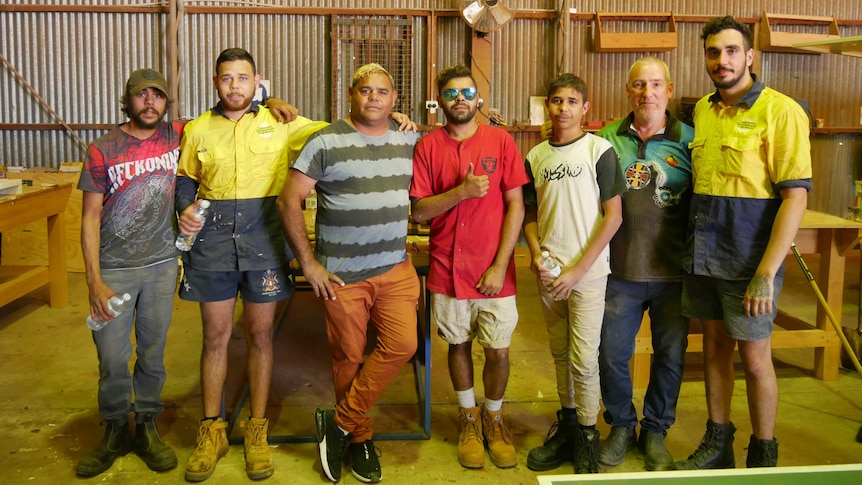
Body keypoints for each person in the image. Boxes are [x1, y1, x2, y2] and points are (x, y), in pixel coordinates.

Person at [176, 47, 324, 482]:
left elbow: (337, 130)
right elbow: (185, 177)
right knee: (216, 336)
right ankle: (212, 430)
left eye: (243, 78)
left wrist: (396, 121)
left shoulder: (280, 123)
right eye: (227, 78)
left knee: (261, 336)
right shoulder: (198, 129)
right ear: (215, 81)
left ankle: (257, 430)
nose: (234, 86)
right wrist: (185, 206)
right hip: (213, 245)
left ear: (257, 80)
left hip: (264, 241)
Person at [675, 16, 811, 469]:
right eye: (713, 52)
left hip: (748, 260)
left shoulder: (781, 111)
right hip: (704, 253)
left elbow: (794, 198)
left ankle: (763, 452)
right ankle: (719, 442)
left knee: (755, 359)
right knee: (713, 349)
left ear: (751, 56)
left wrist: (766, 274)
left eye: (732, 51)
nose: (722, 60)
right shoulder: (703, 111)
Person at [278, 63, 420, 484]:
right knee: (348, 359)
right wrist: (309, 263)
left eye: (382, 91)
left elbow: (453, 130)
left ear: (394, 101)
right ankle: (360, 438)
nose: (373, 97)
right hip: (343, 276)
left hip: (395, 269)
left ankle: (337, 423)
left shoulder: (408, 138)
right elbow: (289, 202)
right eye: (364, 90)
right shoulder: (325, 141)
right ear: (351, 95)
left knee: (403, 345)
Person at [409, 64, 528, 469]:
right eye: (451, 93)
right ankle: (468, 417)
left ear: (479, 99)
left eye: (467, 92)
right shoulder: (427, 147)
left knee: (497, 351)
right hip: (446, 269)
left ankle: (494, 417)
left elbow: (517, 205)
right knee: (457, 344)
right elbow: (421, 210)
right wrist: (461, 192)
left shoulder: (501, 141)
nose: (459, 99)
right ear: (439, 100)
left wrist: (500, 266)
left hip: (494, 272)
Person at [76, 68, 182, 478]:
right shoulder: (103, 148)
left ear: (165, 102)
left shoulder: (177, 135)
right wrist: (93, 280)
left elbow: (227, 113)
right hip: (114, 270)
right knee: (113, 358)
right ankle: (117, 428)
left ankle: (148, 426)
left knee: (153, 354)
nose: (150, 102)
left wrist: (271, 103)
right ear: (129, 100)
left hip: (160, 267)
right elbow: (89, 217)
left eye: (157, 95)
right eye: (142, 95)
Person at [592, 57, 693, 472]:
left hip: (675, 273)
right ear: (627, 90)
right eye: (638, 85)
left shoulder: (692, 142)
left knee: (670, 355)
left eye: (654, 85)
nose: (646, 93)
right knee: (611, 354)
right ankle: (620, 425)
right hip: (620, 272)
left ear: (668, 89)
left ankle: (655, 430)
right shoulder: (604, 140)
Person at [523, 73, 626, 474]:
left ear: (585, 108)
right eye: (555, 100)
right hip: (549, 274)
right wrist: (535, 253)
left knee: (584, 359)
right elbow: (530, 216)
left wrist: (578, 270)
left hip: (588, 272)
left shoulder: (598, 151)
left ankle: (587, 434)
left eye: (571, 101)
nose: (562, 107)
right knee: (559, 352)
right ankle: (566, 426)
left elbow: (614, 216)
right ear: (546, 107)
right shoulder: (535, 157)